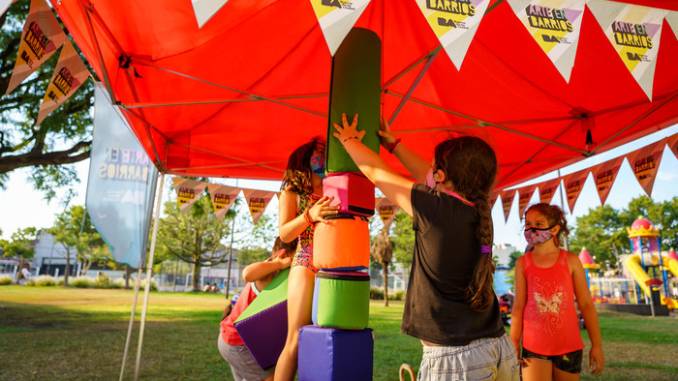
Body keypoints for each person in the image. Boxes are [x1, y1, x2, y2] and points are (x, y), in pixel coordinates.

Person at [333, 114, 519, 380]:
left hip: (458, 361)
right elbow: (429, 176)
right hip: (498, 348)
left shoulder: (437, 210)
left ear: (441, 175)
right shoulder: (478, 212)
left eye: (434, 169)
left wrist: (349, 139)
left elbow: (376, 172)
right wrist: (394, 145)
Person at [511, 204, 604, 381]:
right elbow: (518, 306)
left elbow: (585, 304)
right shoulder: (523, 263)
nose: (532, 228)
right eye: (528, 224)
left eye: (539, 223)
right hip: (534, 347)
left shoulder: (571, 260)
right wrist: (514, 343)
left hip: (569, 346)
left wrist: (597, 345)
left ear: (554, 229)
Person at [274, 137, 339, 381]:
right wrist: (309, 215)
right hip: (305, 262)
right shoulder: (292, 190)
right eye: (319, 151)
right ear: (305, 158)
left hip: (334, 266)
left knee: (325, 335)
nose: (323, 155)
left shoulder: (334, 187)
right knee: (295, 339)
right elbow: (284, 233)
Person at [218, 238, 297, 381]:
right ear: (284, 254)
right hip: (239, 343)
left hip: (239, 342)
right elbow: (247, 273)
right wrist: (278, 263)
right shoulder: (270, 270)